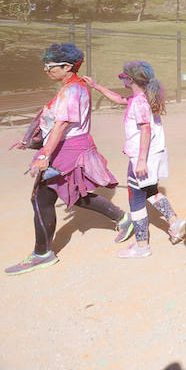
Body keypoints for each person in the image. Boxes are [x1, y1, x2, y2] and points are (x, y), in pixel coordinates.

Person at [5, 43, 133, 276]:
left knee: (40, 198)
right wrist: (31, 142)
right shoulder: (74, 86)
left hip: (68, 149)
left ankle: (42, 254)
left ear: (66, 67)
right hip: (71, 147)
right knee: (73, 193)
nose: (46, 70)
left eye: (50, 66)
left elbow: (61, 125)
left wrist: (44, 155)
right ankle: (123, 218)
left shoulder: (72, 90)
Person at [84, 61, 186, 258]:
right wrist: (96, 86)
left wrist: (140, 160)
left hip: (142, 158)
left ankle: (142, 245)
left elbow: (145, 129)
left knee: (136, 200)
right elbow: (118, 99)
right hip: (153, 155)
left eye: (123, 77)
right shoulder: (141, 98)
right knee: (151, 191)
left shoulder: (139, 103)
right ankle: (174, 221)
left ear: (130, 79)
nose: (122, 79)